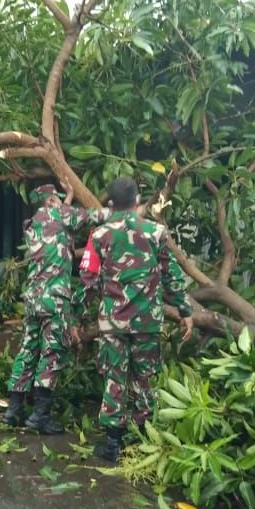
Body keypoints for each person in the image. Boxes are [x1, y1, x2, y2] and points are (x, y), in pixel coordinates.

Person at [76, 175, 194, 463]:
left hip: (113, 323)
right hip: (147, 322)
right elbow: (172, 276)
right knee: (144, 377)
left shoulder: (100, 235)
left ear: (112, 204)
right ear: (139, 200)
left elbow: (88, 278)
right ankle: (143, 440)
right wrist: (185, 311)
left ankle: (112, 445)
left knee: (115, 377)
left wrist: (78, 316)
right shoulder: (156, 232)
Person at [2, 182, 110, 434]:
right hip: (55, 299)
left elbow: (62, 225)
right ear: (51, 202)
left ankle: (13, 410)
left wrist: (69, 196)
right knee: (52, 353)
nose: (62, 203)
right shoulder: (60, 215)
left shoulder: (32, 224)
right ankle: (40, 416)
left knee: (28, 350)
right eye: (58, 199)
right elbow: (96, 215)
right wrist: (124, 213)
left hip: (33, 298)